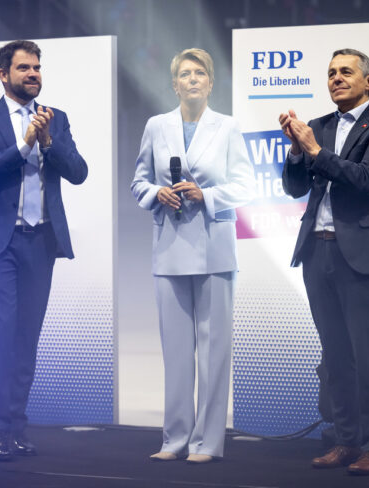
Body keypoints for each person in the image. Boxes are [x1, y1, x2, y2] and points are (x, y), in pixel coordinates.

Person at [279, 48, 369, 476]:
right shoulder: (317, 127)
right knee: (335, 355)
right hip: (318, 251)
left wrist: (314, 150)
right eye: (331, 72)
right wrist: (297, 153)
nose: (336, 78)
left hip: (365, 257)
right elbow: (295, 187)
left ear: (368, 81)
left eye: (346, 71)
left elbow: (367, 181)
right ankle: (345, 439)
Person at [0, 40, 88, 461]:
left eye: (37, 68)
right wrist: (22, 146)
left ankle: (16, 427)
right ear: (4, 74)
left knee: (26, 338)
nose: (33, 74)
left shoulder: (57, 118)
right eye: (24, 68)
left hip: (41, 241)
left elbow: (79, 173)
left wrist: (48, 140)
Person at [131, 48, 254, 464]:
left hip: (215, 249)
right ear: (175, 84)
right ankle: (175, 439)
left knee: (214, 349)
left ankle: (207, 443)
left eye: (200, 72)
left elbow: (246, 185)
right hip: (169, 247)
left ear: (211, 81)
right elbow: (139, 181)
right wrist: (155, 194)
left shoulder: (228, 127)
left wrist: (209, 195)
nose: (193, 79)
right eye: (185, 73)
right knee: (176, 352)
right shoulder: (156, 125)